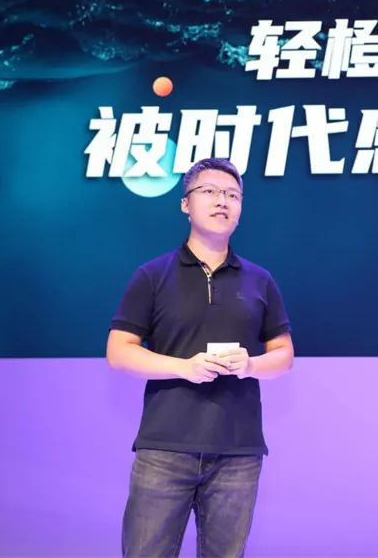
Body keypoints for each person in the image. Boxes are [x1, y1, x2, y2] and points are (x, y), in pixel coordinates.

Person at [106, 157, 294, 557]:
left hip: (238, 453)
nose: (222, 201)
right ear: (185, 204)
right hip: (164, 448)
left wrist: (251, 365)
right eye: (209, 191)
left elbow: (283, 355)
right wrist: (184, 367)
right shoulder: (152, 275)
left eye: (232, 195)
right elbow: (119, 351)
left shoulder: (260, 280)